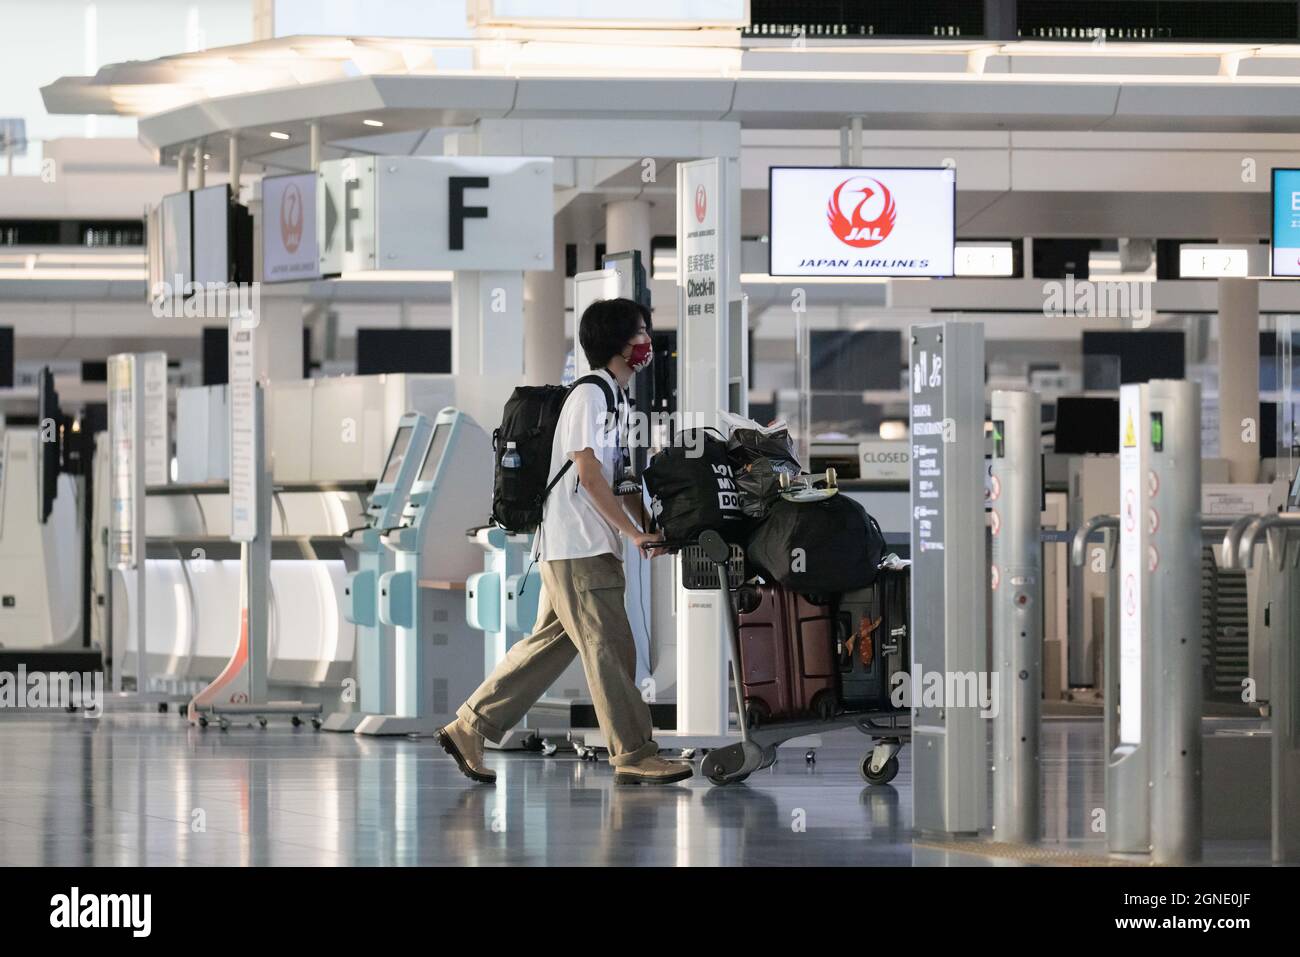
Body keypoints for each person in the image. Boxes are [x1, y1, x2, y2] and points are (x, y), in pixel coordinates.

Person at [436, 298, 692, 785]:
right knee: (611, 650)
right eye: (640, 332)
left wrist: (648, 526)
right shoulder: (590, 396)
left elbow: (618, 480)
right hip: (579, 548)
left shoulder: (615, 398)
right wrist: (631, 532)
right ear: (619, 342)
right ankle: (635, 753)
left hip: (579, 547)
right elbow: (589, 474)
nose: (647, 342)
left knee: (550, 647)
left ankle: (470, 726)